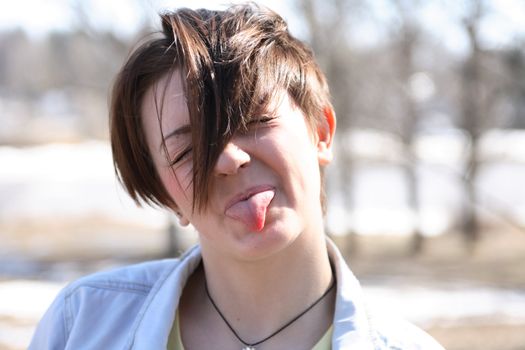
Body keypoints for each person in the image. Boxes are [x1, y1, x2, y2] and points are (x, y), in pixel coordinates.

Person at [30, 3, 445, 350]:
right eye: (188, 150)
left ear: (321, 131)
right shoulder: (81, 327)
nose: (228, 158)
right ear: (165, 193)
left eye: (253, 119)